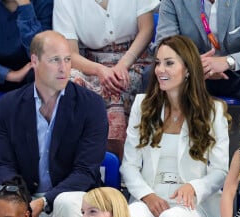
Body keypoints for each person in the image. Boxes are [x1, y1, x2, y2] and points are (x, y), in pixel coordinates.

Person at [120, 35, 231, 217]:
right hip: (151, 199)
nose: (160, 69)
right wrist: (147, 196)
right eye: (158, 63)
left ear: (188, 69)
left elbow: (220, 172)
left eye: (169, 63)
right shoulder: (142, 106)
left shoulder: (213, 111)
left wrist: (194, 186)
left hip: (194, 206)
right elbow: (129, 166)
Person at [0, 30, 109, 217]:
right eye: (55, 60)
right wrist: (20, 201)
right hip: (25, 202)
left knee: (67, 203)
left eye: (68, 59)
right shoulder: (9, 105)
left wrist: (42, 203)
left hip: (69, 201)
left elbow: (86, 171)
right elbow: (2, 163)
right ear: (34, 61)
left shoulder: (91, 105)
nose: (64, 68)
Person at [52, 0, 160, 158]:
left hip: (133, 58)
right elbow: (70, 55)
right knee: (70, 84)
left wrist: (123, 64)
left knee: (119, 83)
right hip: (90, 63)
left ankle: (122, 162)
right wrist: (99, 70)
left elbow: (147, 29)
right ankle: (81, 160)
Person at [145, 0, 240, 119]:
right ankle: (156, 139)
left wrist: (228, 62)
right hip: (193, 75)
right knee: (152, 73)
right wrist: (194, 64)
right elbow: (163, 46)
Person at [0, 0, 53, 92]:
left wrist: (25, 6)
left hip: (30, 73)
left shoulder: (44, 3)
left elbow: (40, 53)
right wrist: (8, 75)